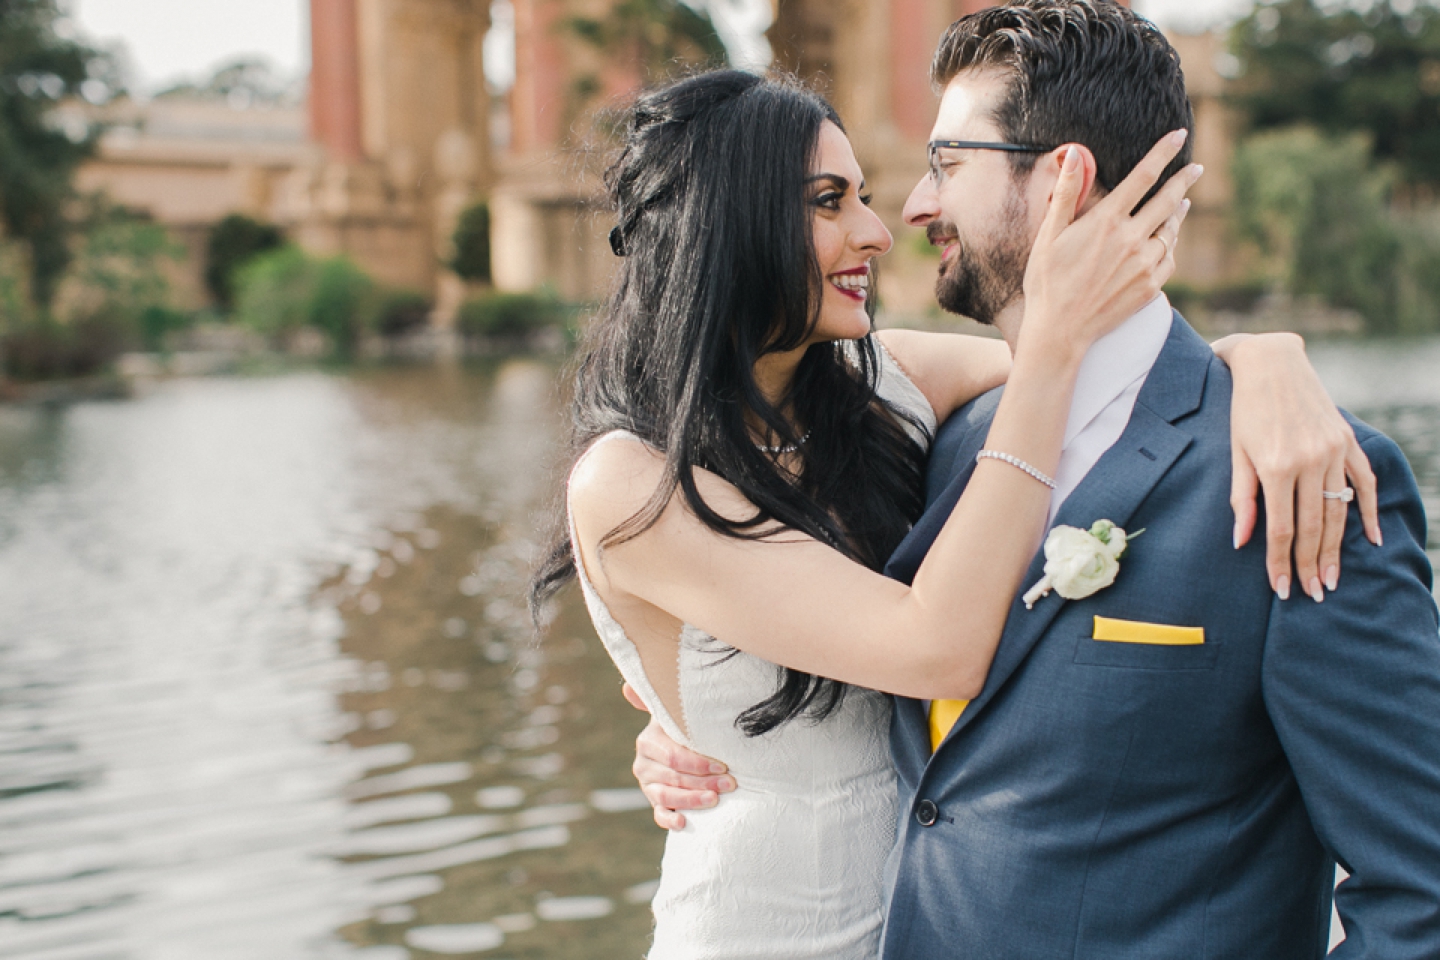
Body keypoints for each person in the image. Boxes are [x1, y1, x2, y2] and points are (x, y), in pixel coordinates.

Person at [629, 3, 1440, 958]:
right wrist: (704, 727)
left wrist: (1259, 363)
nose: (912, 212)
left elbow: (1420, 888)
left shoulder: (1297, 479)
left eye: (948, 164)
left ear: (1063, 179)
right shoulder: (933, 439)